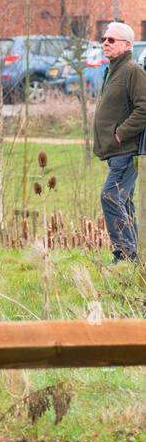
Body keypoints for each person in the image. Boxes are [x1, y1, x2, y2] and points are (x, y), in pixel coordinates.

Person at [92, 22, 146, 265]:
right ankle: (132, 258)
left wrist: (121, 133)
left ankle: (124, 254)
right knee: (123, 200)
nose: (105, 43)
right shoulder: (113, 69)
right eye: (104, 39)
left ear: (126, 45)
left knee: (111, 197)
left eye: (111, 40)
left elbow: (143, 107)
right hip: (116, 151)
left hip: (126, 149)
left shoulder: (132, 70)